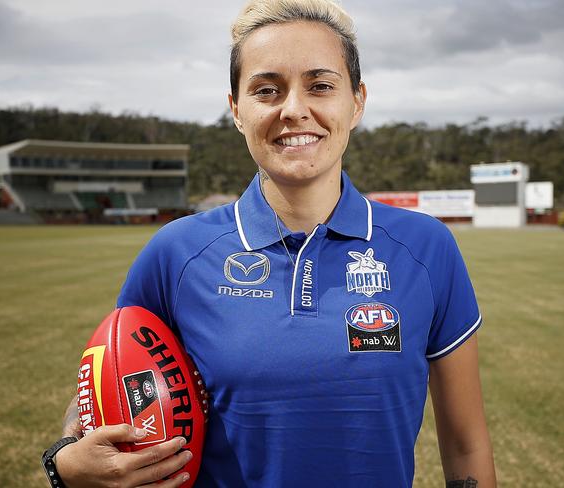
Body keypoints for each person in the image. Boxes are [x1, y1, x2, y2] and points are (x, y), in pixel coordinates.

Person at [46, 0, 496, 486]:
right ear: (237, 109)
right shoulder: (174, 253)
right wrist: (66, 457)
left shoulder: (427, 247)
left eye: (321, 86)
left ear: (357, 101)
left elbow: (465, 444)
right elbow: (110, 376)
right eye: (267, 90)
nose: (294, 110)